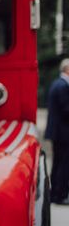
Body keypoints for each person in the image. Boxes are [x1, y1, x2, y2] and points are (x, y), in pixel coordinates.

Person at [45, 58, 69, 205]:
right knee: (63, 164)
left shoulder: (58, 84)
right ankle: (59, 194)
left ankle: (56, 193)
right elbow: (66, 109)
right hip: (63, 133)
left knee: (59, 163)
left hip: (59, 132)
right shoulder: (62, 86)